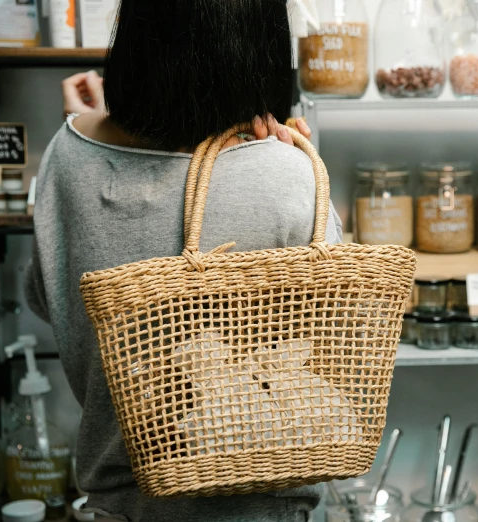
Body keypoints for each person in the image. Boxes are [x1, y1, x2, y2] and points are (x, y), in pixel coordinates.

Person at [25, 1, 342, 521]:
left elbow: (48, 300)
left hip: (117, 507)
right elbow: (333, 341)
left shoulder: (65, 154)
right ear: (258, 42)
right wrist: (300, 169)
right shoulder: (287, 175)